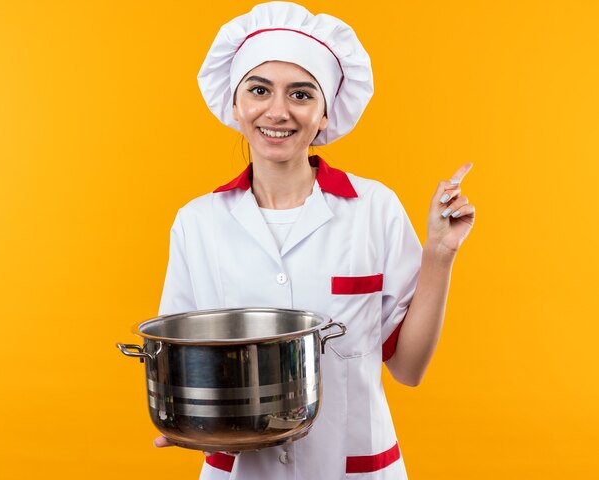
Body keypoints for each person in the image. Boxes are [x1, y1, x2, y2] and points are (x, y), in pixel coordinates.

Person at [154, 2, 475, 479]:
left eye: (301, 94)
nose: (277, 111)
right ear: (236, 104)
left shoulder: (374, 209)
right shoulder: (197, 223)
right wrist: (185, 421)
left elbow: (409, 369)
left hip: (356, 467)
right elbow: (179, 363)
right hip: (242, 469)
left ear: (325, 113)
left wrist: (440, 255)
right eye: (259, 90)